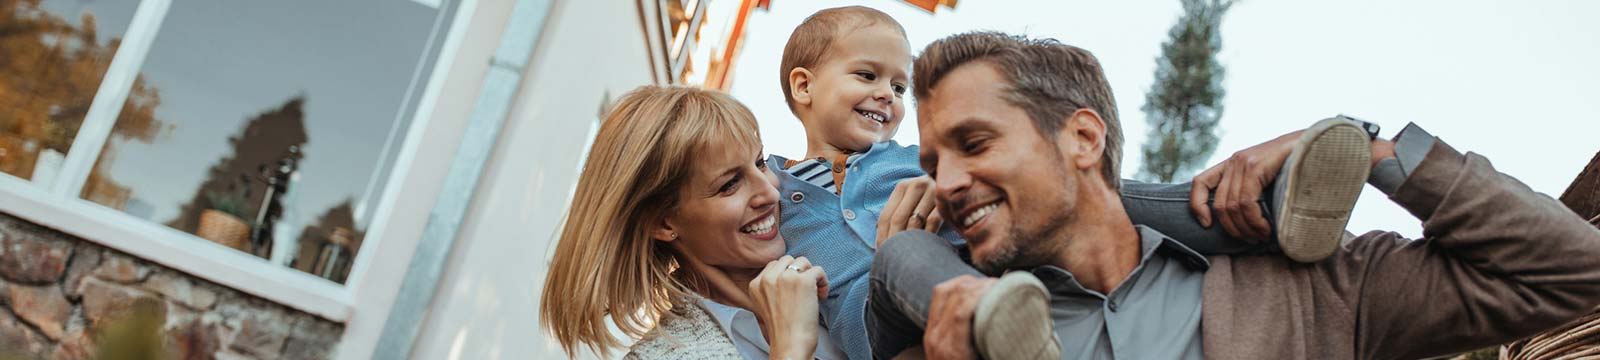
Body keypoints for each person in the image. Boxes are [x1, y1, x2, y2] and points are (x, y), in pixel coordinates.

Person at [871, 31, 1600, 359]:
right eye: (935, 161)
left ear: (1083, 140)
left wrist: (1372, 150)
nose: (946, 183)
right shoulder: (957, 331)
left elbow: (1575, 270)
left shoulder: (1319, 292)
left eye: (974, 144)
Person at [773, 7, 1362, 359]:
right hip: (879, 317)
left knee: (1093, 197)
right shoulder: (772, 184)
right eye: (868, 75)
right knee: (901, 248)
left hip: (991, 266)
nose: (888, 94)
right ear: (804, 87)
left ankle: (1273, 211)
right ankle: (989, 322)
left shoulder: (910, 157)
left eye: (899, 87)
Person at [539, 86, 841, 360]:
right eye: (730, 184)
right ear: (661, 222)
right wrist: (790, 349)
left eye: (760, 162)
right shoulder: (659, 356)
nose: (770, 192)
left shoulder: (837, 249)